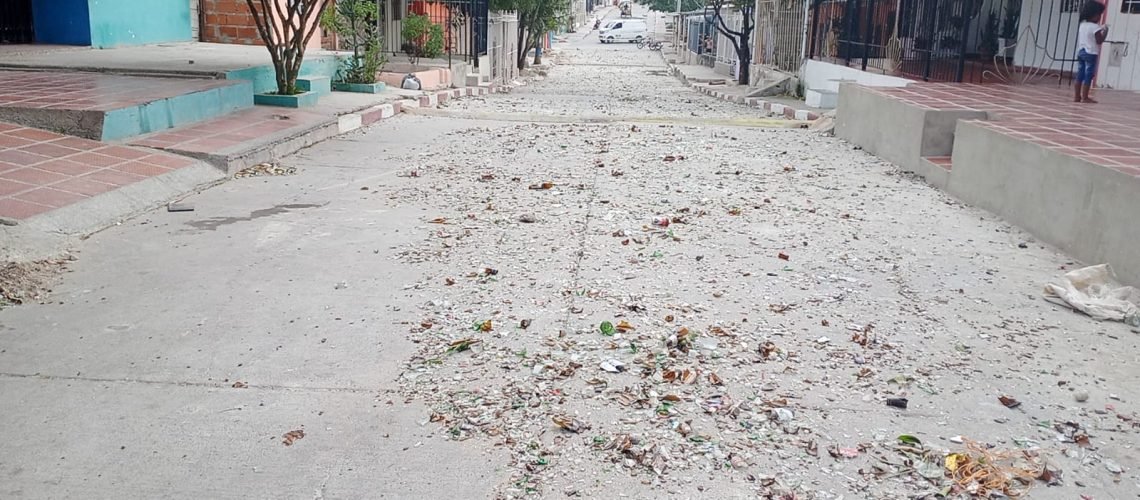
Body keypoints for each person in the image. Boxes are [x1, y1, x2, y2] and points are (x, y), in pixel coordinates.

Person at [1075, 0, 1108, 103]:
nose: (1099, 18)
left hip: (1081, 52)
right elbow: (1099, 41)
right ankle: (1085, 97)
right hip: (1091, 53)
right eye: (1099, 15)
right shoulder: (1095, 27)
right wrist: (1105, 32)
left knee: (1080, 74)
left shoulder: (1082, 25)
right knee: (1088, 75)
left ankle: (1077, 96)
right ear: (1094, 15)